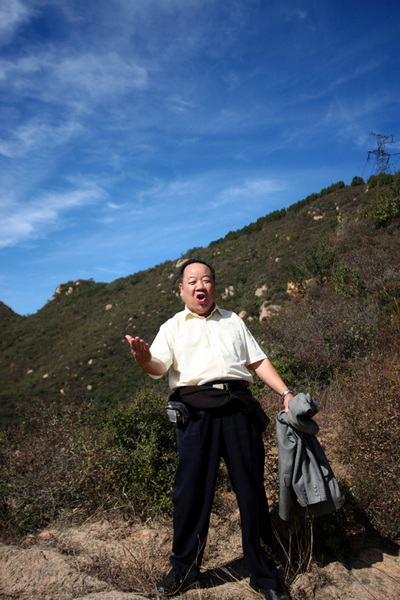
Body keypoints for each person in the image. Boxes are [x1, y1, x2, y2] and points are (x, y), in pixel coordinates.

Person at [126, 259, 293, 600]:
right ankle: (183, 570)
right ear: (182, 289)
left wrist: (286, 393)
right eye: (192, 281)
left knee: (250, 492)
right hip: (195, 414)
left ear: (214, 286)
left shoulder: (233, 320)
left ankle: (262, 572)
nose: (199, 286)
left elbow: (257, 360)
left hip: (237, 408)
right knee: (190, 493)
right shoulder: (172, 326)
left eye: (206, 280)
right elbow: (158, 367)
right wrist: (144, 360)